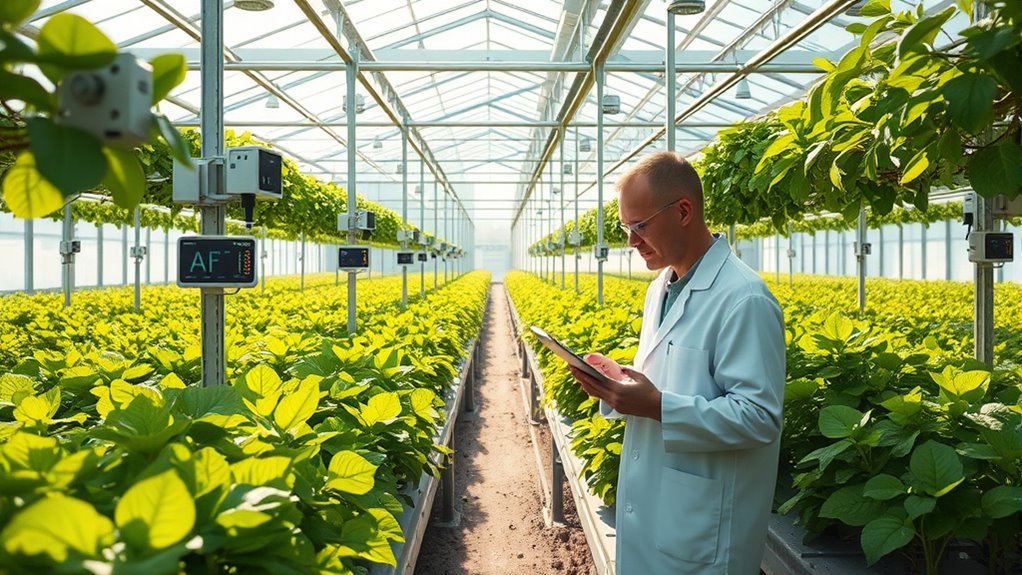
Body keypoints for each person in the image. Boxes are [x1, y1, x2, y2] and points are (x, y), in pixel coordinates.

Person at [568, 151, 785, 574]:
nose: (630, 240)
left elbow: (760, 416)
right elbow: (667, 380)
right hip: (658, 506)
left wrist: (657, 406)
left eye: (639, 226)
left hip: (703, 530)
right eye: (624, 228)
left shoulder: (745, 298)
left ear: (683, 211)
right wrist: (620, 383)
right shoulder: (661, 288)